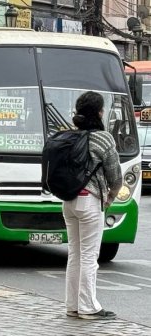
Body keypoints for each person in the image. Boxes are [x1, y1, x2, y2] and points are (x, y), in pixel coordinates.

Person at [64, 91, 121, 320]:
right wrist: (110, 197)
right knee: (89, 256)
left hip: (68, 201)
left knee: (74, 254)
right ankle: (88, 307)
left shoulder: (70, 136)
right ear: (99, 112)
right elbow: (115, 175)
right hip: (90, 201)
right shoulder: (103, 138)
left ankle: (72, 305)